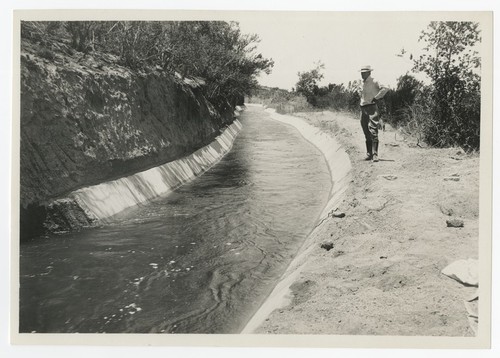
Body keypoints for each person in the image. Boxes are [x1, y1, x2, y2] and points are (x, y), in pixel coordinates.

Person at [359, 65, 389, 162]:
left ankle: (375, 154)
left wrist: (376, 97)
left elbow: (385, 88)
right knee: (365, 130)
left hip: (372, 107)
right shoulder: (362, 83)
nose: (362, 74)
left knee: (373, 129)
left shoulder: (375, 80)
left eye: (364, 72)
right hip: (363, 108)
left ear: (369, 72)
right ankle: (369, 154)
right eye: (361, 72)